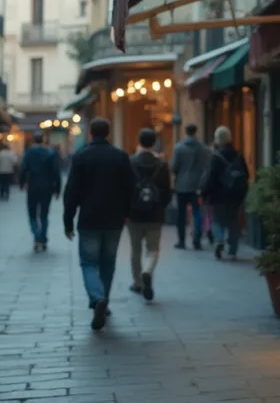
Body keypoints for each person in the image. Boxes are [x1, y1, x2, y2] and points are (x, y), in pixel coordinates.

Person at [63, 118, 135, 330]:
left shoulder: (81, 157)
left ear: (90, 134)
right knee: (108, 262)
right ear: (108, 133)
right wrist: (127, 213)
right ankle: (104, 300)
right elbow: (131, 187)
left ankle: (97, 297)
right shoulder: (120, 156)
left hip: (89, 218)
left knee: (88, 263)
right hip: (114, 219)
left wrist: (68, 220)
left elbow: (72, 192)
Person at [128, 128, 172, 300]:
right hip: (155, 214)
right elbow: (167, 192)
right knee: (153, 249)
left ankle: (138, 283)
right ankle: (148, 271)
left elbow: (126, 189)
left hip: (134, 214)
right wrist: (161, 206)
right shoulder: (162, 165)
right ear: (154, 143)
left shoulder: (131, 162)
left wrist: (126, 211)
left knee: (135, 249)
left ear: (139, 141)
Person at [200, 126, 249, 260]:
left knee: (217, 220)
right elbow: (246, 174)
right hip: (235, 195)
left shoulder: (215, 157)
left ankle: (220, 239)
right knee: (233, 221)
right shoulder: (239, 155)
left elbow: (210, 177)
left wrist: (204, 193)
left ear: (217, 139)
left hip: (218, 195)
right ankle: (233, 250)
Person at [19, 132, 62, 252]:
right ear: (43, 141)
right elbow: (56, 172)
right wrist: (58, 189)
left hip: (32, 186)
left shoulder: (29, 153)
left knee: (32, 214)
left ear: (33, 141)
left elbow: (23, 168)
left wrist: (22, 183)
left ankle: (37, 236)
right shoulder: (50, 153)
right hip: (47, 187)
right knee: (44, 214)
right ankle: (43, 237)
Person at [170, 123, 209, 249]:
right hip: (197, 184)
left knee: (181, 214)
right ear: (196, 132)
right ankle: (196, 240)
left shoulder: (179, 147)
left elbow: (174, 167)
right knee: (197, 213)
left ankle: (181, 241)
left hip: (181, 185)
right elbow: (205, 166)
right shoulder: (202, 148)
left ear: (185, 131)